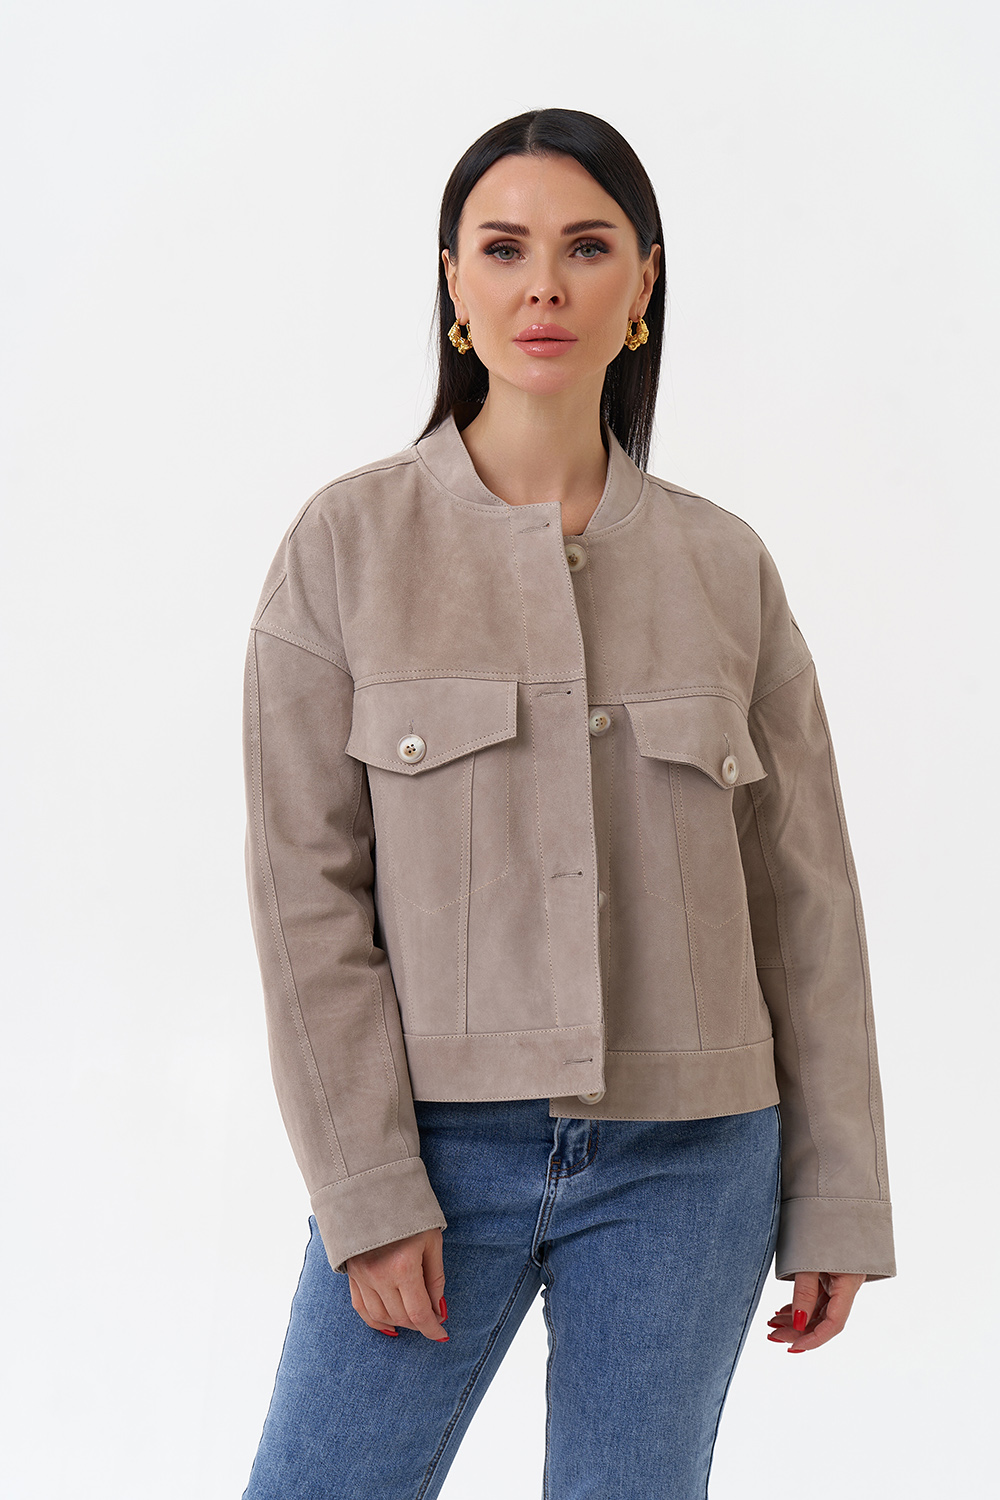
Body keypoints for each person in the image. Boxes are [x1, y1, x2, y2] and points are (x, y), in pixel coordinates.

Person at [240, 107, 895, 1500]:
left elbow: (806, 904)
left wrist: (838, 1190)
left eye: (588, 248)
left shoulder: (726, 566)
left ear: (642, 283)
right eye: (505, 249)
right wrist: (367, 1186)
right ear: (454, 282)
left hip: (695, 1165)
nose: (545, 284)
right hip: (434, 1150)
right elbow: (306, 903)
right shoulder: (345, 547)